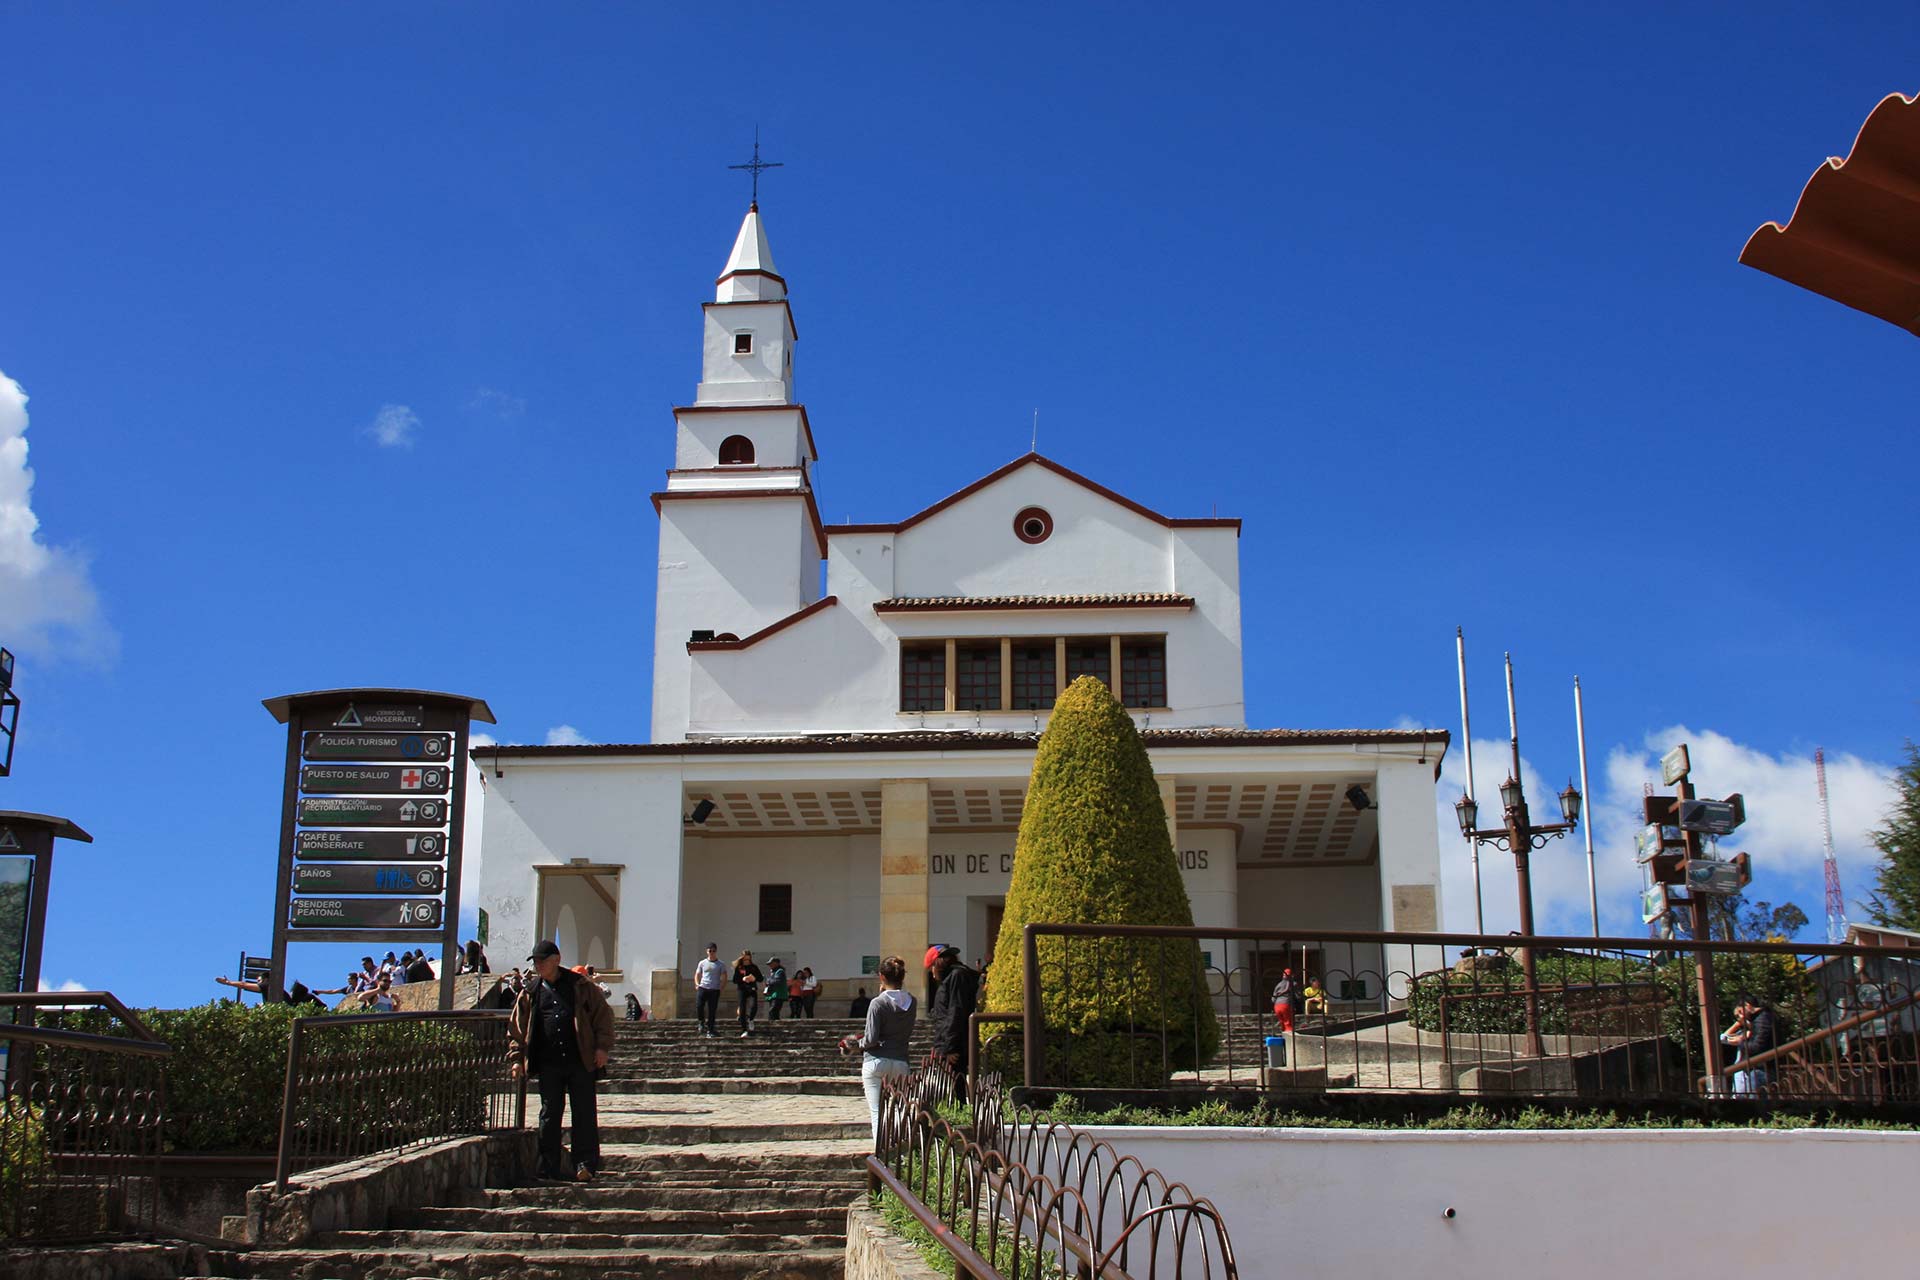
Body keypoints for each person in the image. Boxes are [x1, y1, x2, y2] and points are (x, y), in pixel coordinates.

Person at [509, 939, 614, 1183]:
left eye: (542, 961)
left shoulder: (581, 986)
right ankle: (549, 1166)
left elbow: (603, 1017)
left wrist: (602, 1047)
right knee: (549, 1114)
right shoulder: (531, 991)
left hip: (580, 1059)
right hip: (548, 1062)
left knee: (584, 1113)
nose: (538, 966)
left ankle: (585, 1165)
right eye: (535, 962)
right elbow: (517, 1027)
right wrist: (516, 1058)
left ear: (556, 960)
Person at [840, 955, 916, 1143]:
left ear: (881, 976)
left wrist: (855, 1044)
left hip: (876, 1060)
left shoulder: (877, 1003)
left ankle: (880, 1153)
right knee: (898, 1109)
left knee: (877, 1112)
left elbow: (871, 1038)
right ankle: (900, 1153)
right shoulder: (912, 1002)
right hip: (900, 1060)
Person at [928, 945, 980, 1079]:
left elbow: (955, 1012)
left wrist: (950, 1048)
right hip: (948, 1041)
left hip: (954, 1046)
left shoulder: (956, 976)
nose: (932, 974)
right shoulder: (951, 978)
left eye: (931, 968)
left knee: (956, 1083)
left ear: (937, 964)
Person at [1724, 992, 1777, 1096]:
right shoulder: (1759, 1019)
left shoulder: (1762, 1019)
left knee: (1756, 1103)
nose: (1741, 1016)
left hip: (1761, 1069)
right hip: (1758, 1068)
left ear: (1747, 1005)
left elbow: (1757, 1046)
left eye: (1740, 1012)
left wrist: (1740, 1042)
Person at [694, 943, 726, 1037]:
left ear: (716, 951)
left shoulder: (720, 964)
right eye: (709, 951)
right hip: (703, 987)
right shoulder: (702, 963)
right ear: (707, 951)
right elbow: (697, 974)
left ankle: (711, 1029)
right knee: (699, 1006)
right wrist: (697, 984)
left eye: (713, 951)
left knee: (712, 1010)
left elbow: (724, 976)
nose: (711, 953)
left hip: (714, 989)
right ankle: (701, 1022)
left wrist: (721, 987)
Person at [733, 950, 763, 1036]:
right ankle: (744, 1030)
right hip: (742, 989)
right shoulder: (739, 967)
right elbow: (735, 980)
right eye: (745, 958)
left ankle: (751, 1019)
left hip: (752, 988)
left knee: (754, 1005)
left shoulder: (754, 967)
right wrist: (742, 979)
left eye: (748, 958)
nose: (746, 960)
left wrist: (754, 978)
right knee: (742, 1009)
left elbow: (760, 978)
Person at [1271, 969, 1297, 1034]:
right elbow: (1298, 996)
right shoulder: (1293, 983)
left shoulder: (1278, 984)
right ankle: (1289, 1040)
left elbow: (1273, 999)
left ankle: (1282, 1037)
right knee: (1288, 1023)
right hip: (1286, 1004)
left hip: (1277, 1006)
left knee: (1282, 1023)